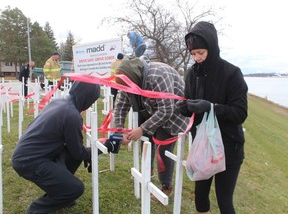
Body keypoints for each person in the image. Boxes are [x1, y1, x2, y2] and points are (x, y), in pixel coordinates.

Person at [12, 81, 121, 214]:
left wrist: (88, 153)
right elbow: (79, 153)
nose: (91, 104)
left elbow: (74, 150)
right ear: (87, 98)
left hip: (27, 154)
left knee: (72, 157)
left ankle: (62, 191)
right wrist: (105, 147)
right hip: (30, 162)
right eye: (92, 100)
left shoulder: (58, 102)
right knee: (76, 189)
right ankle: (37, 209)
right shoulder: (72, 115)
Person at [178, 21, 248, 214]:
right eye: (193, 54)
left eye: (201, 52)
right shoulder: (192, 74)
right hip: (202, 147)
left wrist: (211, 107)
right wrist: (185, 108)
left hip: (228, 147)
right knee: (200, 197)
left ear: (212, 46)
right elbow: (189, 101)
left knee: (224, 201)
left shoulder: (232, 73)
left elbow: (240, 113)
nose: (197, 58)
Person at [113, 57, 189, 198]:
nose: (127, 90)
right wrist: (119, 131)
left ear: (135, 78)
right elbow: (120, 107)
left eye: (129, 86)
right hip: (149, 109)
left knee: (163, 151)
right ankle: (148, 173)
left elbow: (166, 110)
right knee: (146, 143)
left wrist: (142, 128)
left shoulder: (159, 75)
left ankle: (165, 186)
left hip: (174, 113)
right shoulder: (127, 81)